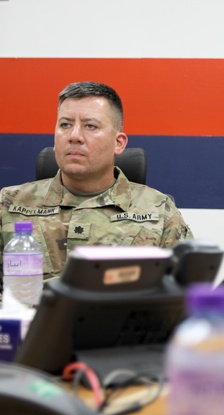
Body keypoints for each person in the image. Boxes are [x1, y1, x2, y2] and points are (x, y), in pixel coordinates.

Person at [0, 82, 192, 288]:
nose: (74, 136)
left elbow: (183, 295)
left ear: (118, 143)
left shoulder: (159, 211)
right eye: (65, 125)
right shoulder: (8, 204)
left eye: (90, 126)